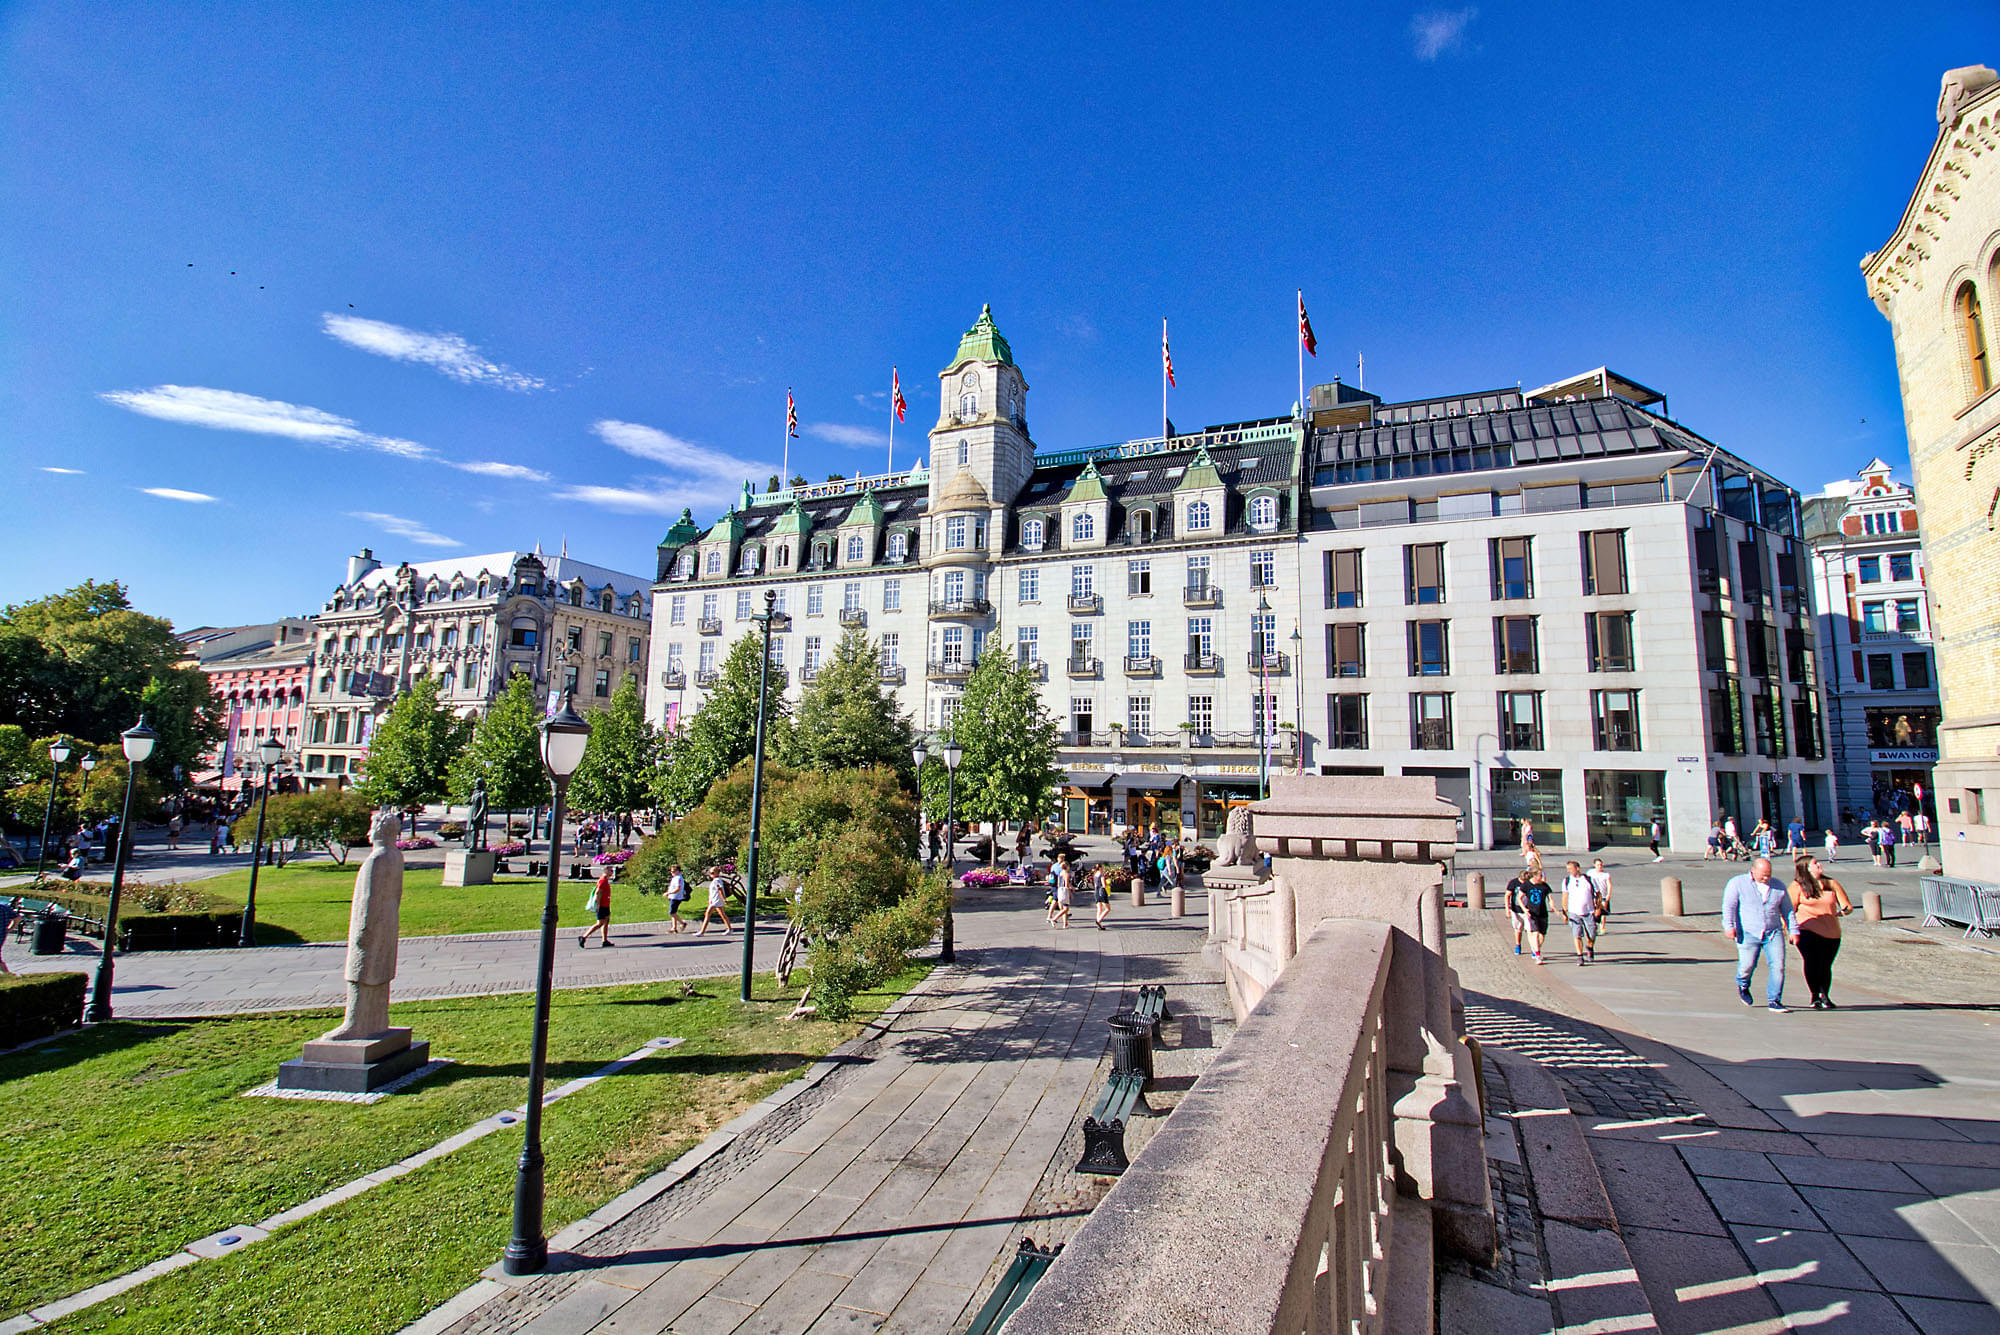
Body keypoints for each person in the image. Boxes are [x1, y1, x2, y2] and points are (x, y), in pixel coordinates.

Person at [1722, 856, 1797, 1012]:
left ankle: (1774, 1000)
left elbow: (1788, 910)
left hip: (1773, 931)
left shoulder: (1778, 886)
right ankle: (1743, 984)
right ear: (1753, 870)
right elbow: (1729, 906)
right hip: (1748, 931)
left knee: (1778, 965)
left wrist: (1794, 930)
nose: (1766, 878)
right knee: (1747, 965)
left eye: (1769, 874)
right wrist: (1729, 927)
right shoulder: (1737, 883)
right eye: (1763, 874)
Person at [1790, 856, 1853, 1010]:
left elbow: (1847, 905)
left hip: (1831, 932)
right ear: (1806, 868)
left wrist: (1844, 911)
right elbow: (1789, 909)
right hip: (1806, 929)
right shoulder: (1797, 886)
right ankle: (1815, 995)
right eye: (1815, 863)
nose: (1819, 865)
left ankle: (1825, 995)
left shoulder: (1831, 884)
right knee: (1811, 961)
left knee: (1825, 965)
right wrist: (1790, 930)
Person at [1506, 858, 1553, 963]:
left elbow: (1549, 896)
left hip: (1540, 912)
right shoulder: (1520, 884)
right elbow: (1513, 896)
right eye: (1540, 875)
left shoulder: (1543, 885)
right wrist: (1511, 909)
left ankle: (1535, 949)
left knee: (1540, 934)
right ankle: (1525, 948)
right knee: (1527, 931)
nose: (1542, 877)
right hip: (1525, 911)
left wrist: (1553, 907)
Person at [1561, 860, 1599, 964]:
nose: (1569, 871)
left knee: (1592, 934)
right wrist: (1564, 911)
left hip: (1588, 911)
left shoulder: (1589, 879)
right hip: (1573, 912)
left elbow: (1598, 894)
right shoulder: (1567, 881)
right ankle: (1580, 955)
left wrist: (1598, 908)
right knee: (1576, 934)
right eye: (1567, 869)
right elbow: (1565, 896)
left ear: (1577, 868)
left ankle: (1590, 947)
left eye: (1570, 869)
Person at [579, 870, 614, 948]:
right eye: (611, 871)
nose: (612, 872)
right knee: (600, 923)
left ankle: (604, 940)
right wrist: (598, 905)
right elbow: (598, 892)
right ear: (606, 871)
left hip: (605, 905)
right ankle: (583, 937)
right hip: (602, 906)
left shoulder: (605, 880)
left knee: (606, 921)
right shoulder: (602, 881)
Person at [698, 866, 732, 935]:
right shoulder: (716, 880)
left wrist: (724, 899)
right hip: (714, 900)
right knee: (722, 915)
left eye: (713, 873)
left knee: (708, 914)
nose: (711, 874)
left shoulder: (717, 881)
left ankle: (702, 931)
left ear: (717, 873)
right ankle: (729, 929)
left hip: (716, 900)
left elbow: (720, 890)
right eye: (710, 873)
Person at [1588, 858, 1614, 934]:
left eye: (1601, 864)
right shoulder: (1590, 873)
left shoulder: (1606, 874)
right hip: (1593, 896)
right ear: (1594, 865)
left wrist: (1608, 894)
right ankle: (1595, 926)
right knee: (1594, 912)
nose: (1600, 866)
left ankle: (1602, 927)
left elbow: (1609, 885)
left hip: (1603, 896)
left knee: (1602, 912)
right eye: (1598, 865)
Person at [666, 864, 689, 933]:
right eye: (671, 871)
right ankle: (674, 927)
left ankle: (682, 923)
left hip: (676, 897)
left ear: (678, 871)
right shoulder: (675, 877)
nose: (672, 873)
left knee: (672, 912)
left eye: (673, 871)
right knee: (674, 912)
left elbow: (677, 889)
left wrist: (669, 893)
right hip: (672, 897)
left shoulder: (678, 878)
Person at [0, 896, 17, 974]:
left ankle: (7, 975)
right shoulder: (4, 908)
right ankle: (8, 975)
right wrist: (10, 928)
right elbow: (17, 918)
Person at [1093, 863, 1112, 930]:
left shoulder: (1095, 875)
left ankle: (1099, 925)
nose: (1103, 869)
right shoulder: (1101, 875)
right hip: (1102, 892)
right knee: (1107, 909)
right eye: (1102, 868)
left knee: (1099, 909)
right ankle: (1098, 921)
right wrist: (1107, 883)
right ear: (1100, 868)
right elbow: (1103, 885)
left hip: (1096, 892)